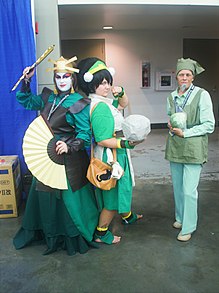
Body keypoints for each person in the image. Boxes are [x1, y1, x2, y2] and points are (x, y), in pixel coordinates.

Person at [13, 56, 99, 255]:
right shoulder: (48, 98)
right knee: (44, 194)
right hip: (47, 157)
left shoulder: (79, 101)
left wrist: (69, 146)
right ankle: (48, 234)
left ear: (73, 79)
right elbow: (25, 100)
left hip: (69, 157)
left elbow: (85, 134)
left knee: (69, 199)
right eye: (58, 76)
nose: (62, 80)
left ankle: (71, 235)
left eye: (66, 76)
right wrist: (26, 80)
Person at [77, 57, 143, 244]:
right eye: (102, 83)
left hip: (114, 154)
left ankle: (128, 215)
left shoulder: (102, 102)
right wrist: (127, 144)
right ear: (92, 84)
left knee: (122, 189)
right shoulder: (100, 108)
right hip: (110, 157)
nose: (107, 87)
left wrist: (121, 92)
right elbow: (102, 139)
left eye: (108, 82)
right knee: (112, 198)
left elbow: (123, 104)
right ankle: (101, 233)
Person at [165, 58, 215, 242]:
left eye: (188, 74)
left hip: (193, 147)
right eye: (181, 74)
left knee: (189, 190)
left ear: (193, 77)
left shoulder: (202, 95)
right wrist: (171, 125)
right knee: (178, 188)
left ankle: (188, 227)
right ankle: (180, 218)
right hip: (176, 146)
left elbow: (209, 125)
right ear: (176, 77)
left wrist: (186, 133)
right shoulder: (171, 97)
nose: (184, 77)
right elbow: (170, 116)